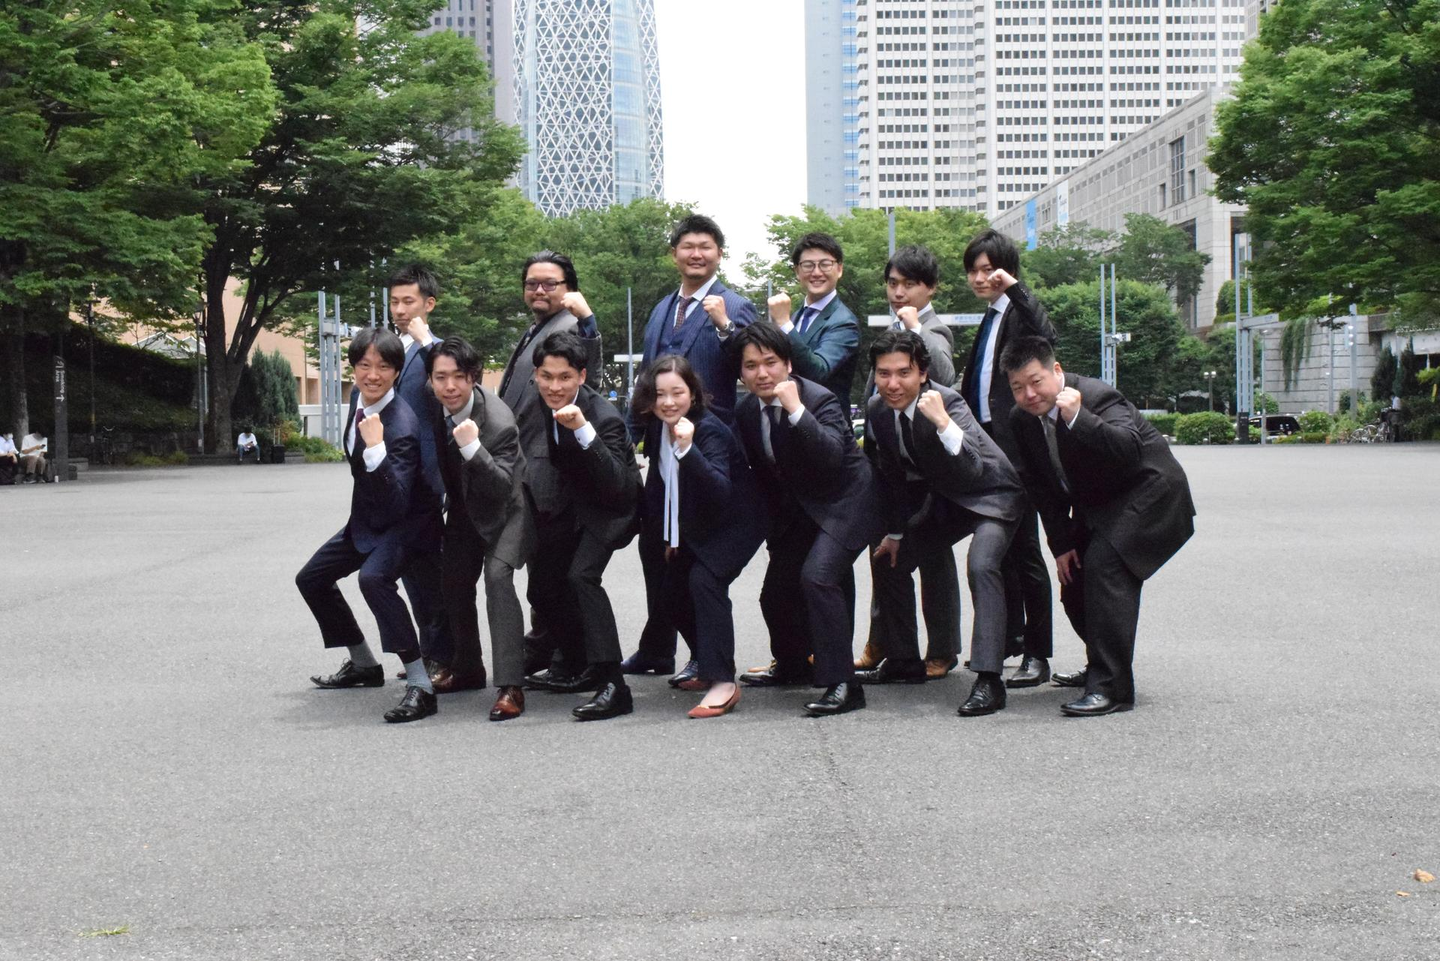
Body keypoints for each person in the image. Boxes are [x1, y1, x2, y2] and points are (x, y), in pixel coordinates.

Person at [1001, 336, 1196, 716]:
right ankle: (1101, 664)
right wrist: (1061, 545)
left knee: (1105, 566)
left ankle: (1112, 688)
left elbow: (1129, 449)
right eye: (1017, 387)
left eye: (1036, 381)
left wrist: (1079, 419)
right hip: (1103, 504)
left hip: (1151, 492)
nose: (1029, 394)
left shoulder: (1097, 396)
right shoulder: (1020, 420)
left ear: (1056, 371)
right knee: (1074, 578)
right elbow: (1040, 486)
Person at [619, 214, 756, 677]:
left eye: (706, 247)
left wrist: (724, 327)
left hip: (707, 448)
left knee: (694, 555)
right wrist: (633, 431)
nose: (696, 254)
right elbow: (648, 377)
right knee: (654, 548)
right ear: (674, 253)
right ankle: (658, 647)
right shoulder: (662, 307)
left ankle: (703, 653)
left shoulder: (736, 305)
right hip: (661, 448)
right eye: (687, 246)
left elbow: (752, 365)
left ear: (719, 254)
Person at [862, 330, 1025, 716]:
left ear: (923, 374)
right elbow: (892, 475)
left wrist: (942, 423)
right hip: (947, 501)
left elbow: (973, 468)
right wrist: (896, 532)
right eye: (884, 374)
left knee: (981, 565)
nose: (893, 383)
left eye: (904, 373)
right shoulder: (877, 409)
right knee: (888, 558)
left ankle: (989, 680)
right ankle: (903, 661)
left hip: (991, 496)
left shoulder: (947, 401)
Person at [295, 327, 444, 723]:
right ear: (354, 368)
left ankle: (421, 686)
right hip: (367, 519)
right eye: (364, 365)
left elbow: (397, 502)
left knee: (374, 579)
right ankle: (363, 664)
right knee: (311, 579)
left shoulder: (401, 425)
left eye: (384, 367)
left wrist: (377, 448)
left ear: (397, 372)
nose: (373, 375)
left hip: (408, 522)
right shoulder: (358, 400)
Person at [732, 323, 880, 717]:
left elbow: (831, 456)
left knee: (818, 577)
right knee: (775, 593)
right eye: (751, 366)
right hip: (801, 510)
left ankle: (843, 683)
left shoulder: (818, 399)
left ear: (788, 364)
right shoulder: (746, 411)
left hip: (847, 502)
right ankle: (793, 665)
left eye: (770, 363)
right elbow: (764, 475)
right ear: (741, 373)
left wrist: (796, 411)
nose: (762, 374)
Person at [631, 356, 766, 717]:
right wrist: (670, 538)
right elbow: (662, 485)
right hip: (699, 525)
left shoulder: (708, 430)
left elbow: (719, 489)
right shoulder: (657, 427)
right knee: (672, 594)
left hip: (737, 521)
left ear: (692, 393)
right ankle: (707, 661)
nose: (668, 402)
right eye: (660, 394)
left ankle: (723, 682)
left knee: (705, 582)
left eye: (677, 392)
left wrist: (688, 449)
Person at [521, 331, 643, 721]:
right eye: (546, 376)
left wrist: (583, 430)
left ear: (582, 376)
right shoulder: (544, 401)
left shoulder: (604, 418)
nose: (554, 387)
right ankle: (578, 663)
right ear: (536, 375)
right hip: (576, 504)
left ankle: (614, 685)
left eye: (565, 378)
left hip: (615, 509)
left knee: (581, 577)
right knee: (542, 587)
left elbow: (617, 485)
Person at [853, 244, 961, 680]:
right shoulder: (892, 328)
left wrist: (915, 328)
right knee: (885, 555)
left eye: (910, 284)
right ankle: (886, 642)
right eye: (893, 283)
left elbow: (945, 379)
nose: (899, 293)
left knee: (934, 563)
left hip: (929, 473)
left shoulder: (934, 329)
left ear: (930, 288)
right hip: (889, 467)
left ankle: (942, 649)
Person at [958, 229, 1058, 688]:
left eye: (989, 270)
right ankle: (1010, 638)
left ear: (1008, 270)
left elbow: (1045, 335)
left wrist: (1016, 289)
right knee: (1004, 554)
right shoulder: (990, 317)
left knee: (1026, 553)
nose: (980, 278)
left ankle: (1037, 653)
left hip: (1018, 450)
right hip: (989, 447)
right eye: (974, 271)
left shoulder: (1015, 311)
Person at [496, 251, 603, 674]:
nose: (539, 290)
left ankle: (571, 657)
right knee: (544, 570)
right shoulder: (535, 329)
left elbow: (589, 369)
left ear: (569, 289)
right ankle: (546, 646)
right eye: (532, 283)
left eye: (550, 283)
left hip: (551, 468)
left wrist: (588, 321)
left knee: (552, 574)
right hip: (523, 463)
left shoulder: (571, 325)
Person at [427, 335, 536, 721]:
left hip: (508, 508)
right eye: (441, 377)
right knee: (453, 580)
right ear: (430, 381)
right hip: (464, 508)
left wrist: (474, 448)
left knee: (497, 578)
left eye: (459, 376)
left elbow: (502, 486)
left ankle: (511, 686)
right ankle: (467, 668)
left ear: (473, 378)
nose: (450, 386)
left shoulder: (499, 422)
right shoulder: (434, 402)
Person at [385, 264, 457, 690]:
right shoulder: (393, 349)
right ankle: (428, 652)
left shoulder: (437, 350)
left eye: (408, 301)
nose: (399, 309)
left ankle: (444, 656)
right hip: (395, 477)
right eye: (394, 301)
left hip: (427, 478)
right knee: (411, 569)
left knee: (430, 572)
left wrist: (426, 341)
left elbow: (445, 390)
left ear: (428, 304)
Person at [764, 232, 861, 404]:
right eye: (808, 265)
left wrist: (784, 323)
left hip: (825, 418)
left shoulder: (844, 322)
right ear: (797, 271)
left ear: (839, 269)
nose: (816, 272)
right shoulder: (796, 316)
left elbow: (818, 372)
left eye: (825, 264)